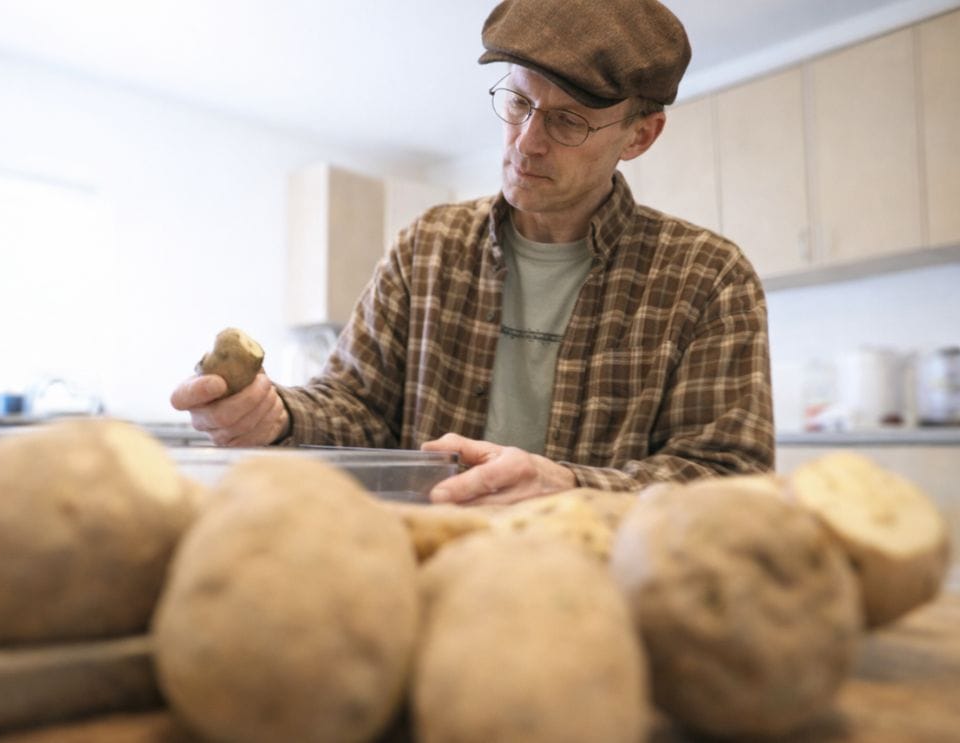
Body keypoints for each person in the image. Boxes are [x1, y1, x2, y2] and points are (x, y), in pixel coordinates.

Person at [171, 0, 774, 506]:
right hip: (429, 562)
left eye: (568, 122)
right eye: (518, 103)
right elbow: (356, 407)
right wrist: (277, 418)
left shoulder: (709, 279)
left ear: (640, 135)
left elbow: (730, 479)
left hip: (604, 589)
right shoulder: (427, 248)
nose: (527, 144)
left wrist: (567, 484)